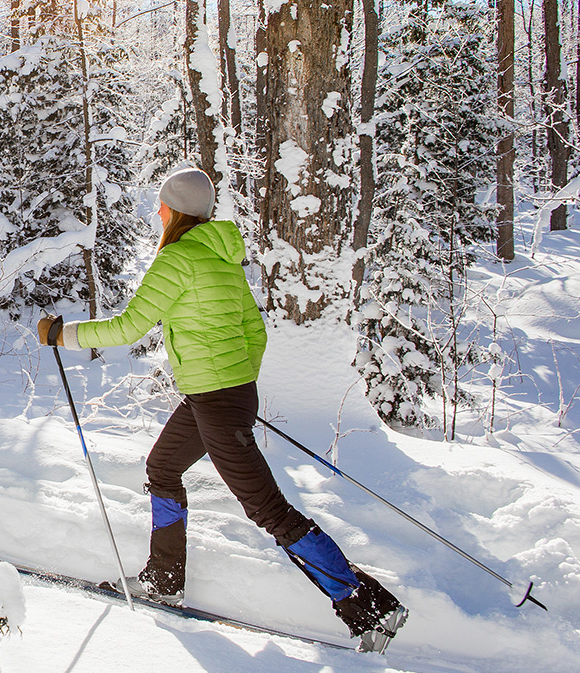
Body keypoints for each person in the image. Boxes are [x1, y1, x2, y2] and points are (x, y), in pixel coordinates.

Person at [36, 167, 408, 653]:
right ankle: (164, 579)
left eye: (162, 205)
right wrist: (233, 384)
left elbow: (129, 328)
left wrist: (60, 335)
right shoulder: (222, 257)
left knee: (267, 510)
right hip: (218, 395)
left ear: (173, 211)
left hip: (215, 399)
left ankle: (368, 606)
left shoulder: (179, 258)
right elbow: (256, 332)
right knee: (163, 467)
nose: (158, 211)